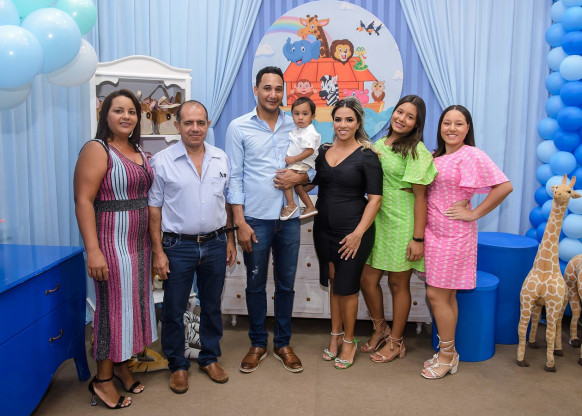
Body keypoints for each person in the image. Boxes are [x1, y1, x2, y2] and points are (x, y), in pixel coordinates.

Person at [74, 89, 157, 409]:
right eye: (118, 110)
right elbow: (83, 201)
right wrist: (93, 251)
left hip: (139, 244)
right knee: (112, 311)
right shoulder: (97, 149)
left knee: (133, 307)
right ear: (104, 115)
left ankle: (121, 365)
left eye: (132, 111)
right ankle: (103, 380)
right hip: (111, 243)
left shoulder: (138, 150)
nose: (126, 116)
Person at [225, 66, 312, 373]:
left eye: (278, 89)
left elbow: (313, 166)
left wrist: (298, 177)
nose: (273, 94)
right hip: (255, 220)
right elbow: (234, 178)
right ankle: (258, 343)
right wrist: (239, 222)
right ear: (256, 90)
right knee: (255, 284)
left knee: (286, 285)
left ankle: (283, 343)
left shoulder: (297, 123)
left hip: (289, 219)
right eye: (267, 88)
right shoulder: (238, 127)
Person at [148, 100, 236, 392]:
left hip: (215, 243)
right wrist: (158, 252)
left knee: (212, 305)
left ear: (208, 125)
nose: (194, 128)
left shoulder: (221, 158)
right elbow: (154, 209)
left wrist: (230, 239)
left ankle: (209, 357)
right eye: (188, 123)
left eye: (200, 123)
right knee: (173, 308)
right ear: (177, 126)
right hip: (177, 246)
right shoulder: (161, 162)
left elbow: (226, 202)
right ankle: (177, 364)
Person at [421, 105, 512, 379]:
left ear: (468, 128)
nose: (452, 128)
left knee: (436, 295)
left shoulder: (472, 155)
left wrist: (474, 213)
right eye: (446, 123)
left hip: (455, 235)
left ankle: (447, 355)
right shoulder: (436, 157)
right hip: (433, 234)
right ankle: (449, 353)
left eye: (458, 123)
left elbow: (504, 186)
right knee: (446, 295)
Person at [360, 95, 437, 364]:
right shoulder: (380, 143)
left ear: (417, 123)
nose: (402, 119)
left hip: (403, 221)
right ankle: (380, 328)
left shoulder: (416, 151)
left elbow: (420, 198)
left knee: (397, 283)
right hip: (377, 219)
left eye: (410, 116)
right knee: (367, 279)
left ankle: (396, 341)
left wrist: (418, 238)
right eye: (400, 112)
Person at [311, 96, 382, 369]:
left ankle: (349, 341)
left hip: (353, 233)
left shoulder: (367, 156)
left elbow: (375, 199)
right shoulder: (323, 151)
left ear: (359, 122)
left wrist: (358, 234)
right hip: (323, 230)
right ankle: (335, 336)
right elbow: (313, 182)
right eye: (338, 119)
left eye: (349, 120)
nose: (343, 124)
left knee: (347, 288)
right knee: (334, 283)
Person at [280, 97, 320, 220]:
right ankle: (310, 206)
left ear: (312, 117)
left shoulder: (309, 132)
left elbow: (310, 150)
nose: (300, 117)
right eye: (296, 114)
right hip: (299, 162)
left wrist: (293, 159)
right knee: (297, 188)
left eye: (305, 114)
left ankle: (291, 205)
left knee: (286, 179)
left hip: (302, 162)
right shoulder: (299, 129)